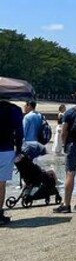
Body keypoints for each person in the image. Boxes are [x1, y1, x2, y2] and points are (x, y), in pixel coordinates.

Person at [0, 95, 24, 226]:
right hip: (6, 149)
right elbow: (19, 132)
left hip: (5, 149)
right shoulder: (14, 110)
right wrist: (19, 150)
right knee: (1, 183)